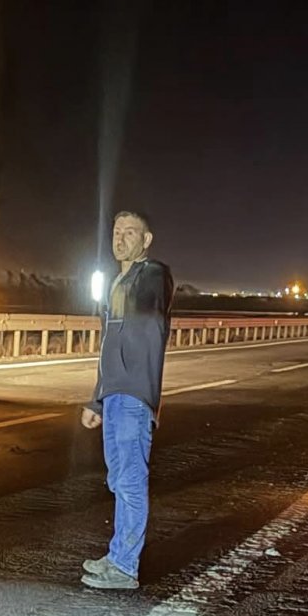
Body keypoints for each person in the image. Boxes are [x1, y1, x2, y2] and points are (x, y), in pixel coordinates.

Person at [80, 212, 174, 590]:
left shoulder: (153, 274)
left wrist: (125, 285)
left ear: (146, 239)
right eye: (117, 232)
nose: (120, 238)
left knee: (131, 480)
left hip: (135, 395)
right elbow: (108, 347)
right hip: (114, 395)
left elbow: (148, 313)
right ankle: (119, 553)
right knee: (118, 479)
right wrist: (97, 400)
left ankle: (125, 567)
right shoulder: (116, 282)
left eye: (130, 232)